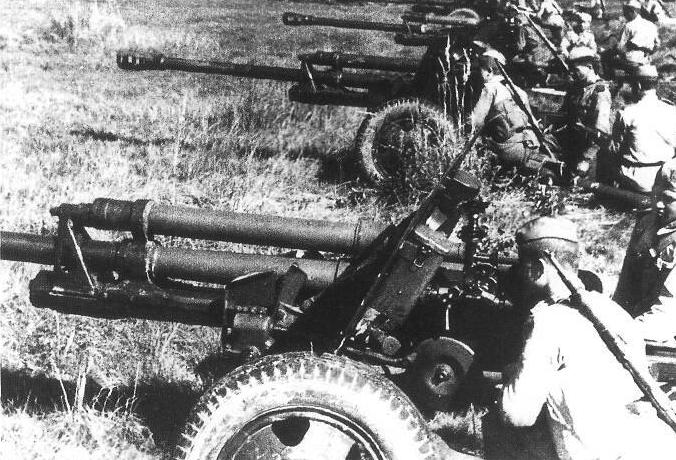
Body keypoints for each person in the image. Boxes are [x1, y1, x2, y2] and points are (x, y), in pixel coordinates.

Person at [484, 215, 676, 460]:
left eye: (522, 267)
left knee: (500, 420)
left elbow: (518, 414)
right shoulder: (615, 312)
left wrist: (510, 378)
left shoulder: (548, 321)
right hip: (650, 447)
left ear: (537, 270)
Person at [614, 159, 676, 345]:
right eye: (655, 196)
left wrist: (623, 332)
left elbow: (665, 315)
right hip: (640, 321)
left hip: (663, 326)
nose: (658, 205)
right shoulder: (647, 224)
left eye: (668, 199)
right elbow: (625, 288)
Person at [471, 51, 551, 175]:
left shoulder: (490, 88)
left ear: (489, 71)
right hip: (529, 145)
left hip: (507, 151)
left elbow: (475, 122)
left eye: (479, 70)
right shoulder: (518, 90)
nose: (476, 73)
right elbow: (532, 121)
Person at [601, 65, 676, 193]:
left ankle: (604, 196)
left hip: (638, 180)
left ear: (638, 85)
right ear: (656, 85)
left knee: (603, 154)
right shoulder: (672, 110)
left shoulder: (627, 113)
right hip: (666, 177)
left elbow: (615, 149)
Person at [555, 46, 611, 176]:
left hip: (588, 150)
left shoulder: (600, 92)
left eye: (576, 70)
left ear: (590, 67)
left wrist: (586, 159)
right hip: (572, 142)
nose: (572, 74)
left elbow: (601, 134)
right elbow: (564, 114)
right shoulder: (577, 88)